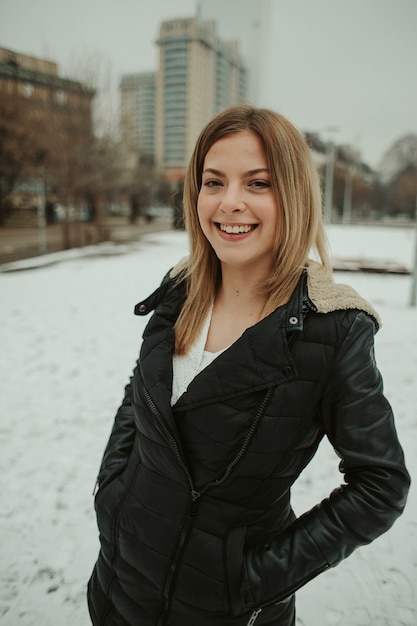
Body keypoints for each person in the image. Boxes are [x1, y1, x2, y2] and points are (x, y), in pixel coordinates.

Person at [87, 105, 410, 626]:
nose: (229, 202)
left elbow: (380, 485)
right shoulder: (180, 289)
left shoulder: (334, 328)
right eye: (213, 181)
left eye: (258, 183)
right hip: (118, 587)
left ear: (294, 195)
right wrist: (113, 492)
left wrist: (251, 582)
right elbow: (140, 393)